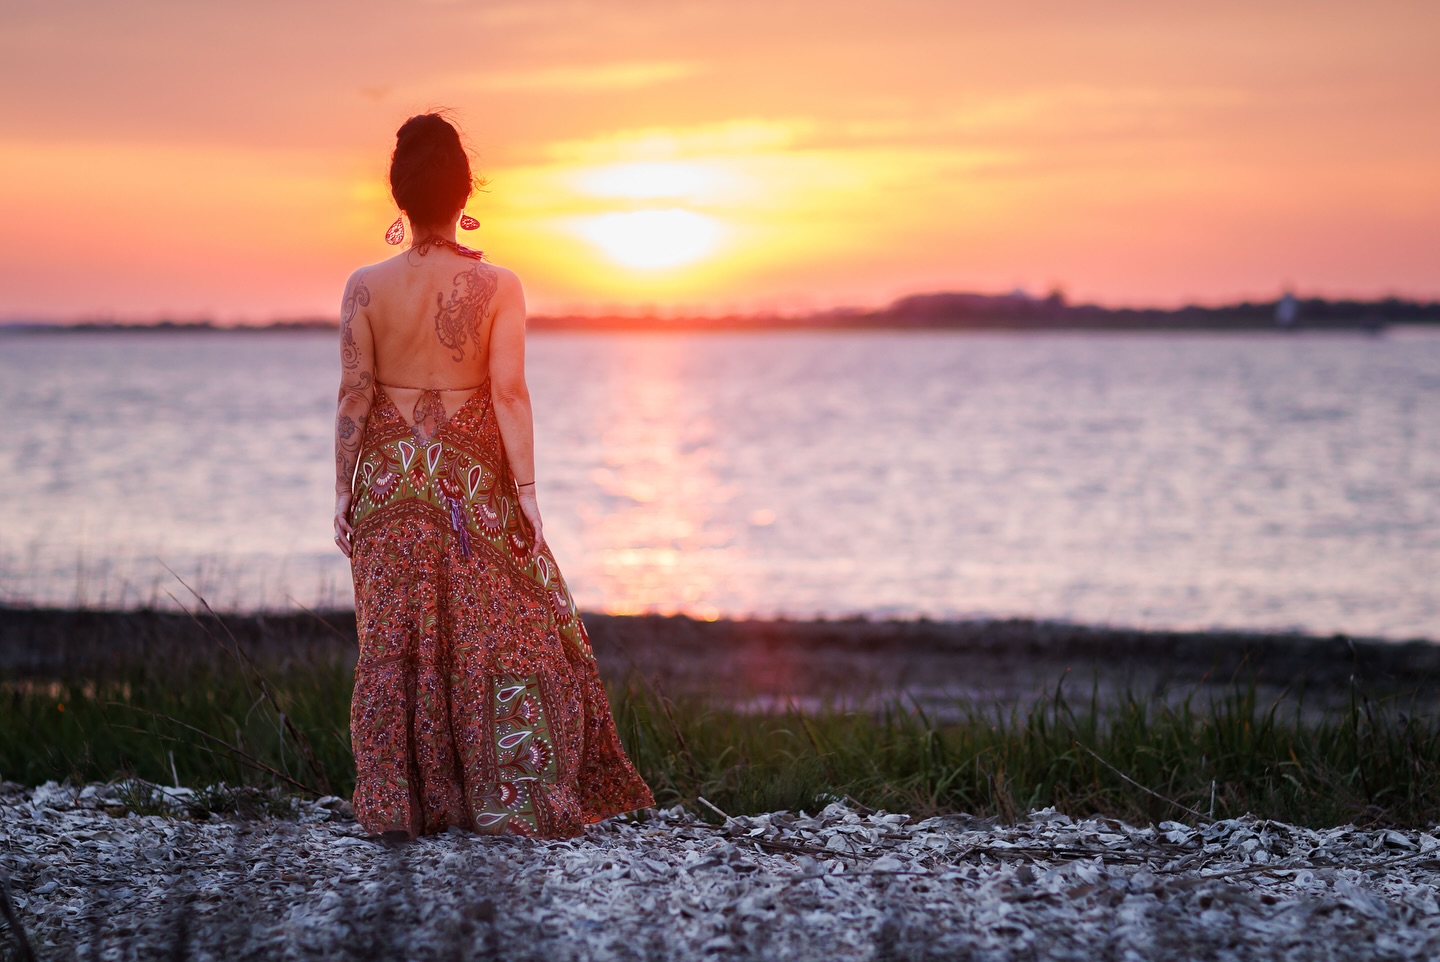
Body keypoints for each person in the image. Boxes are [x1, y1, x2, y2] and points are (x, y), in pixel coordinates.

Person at [332, 113, 654, 839]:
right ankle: (508, 797)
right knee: (499, 631)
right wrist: (530, 495)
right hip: (470, 488)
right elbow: (508, 392)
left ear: (398, 195)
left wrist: (342, 489)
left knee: (394, 639)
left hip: (386, 485)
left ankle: (398, 805)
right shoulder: (499, 285)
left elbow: (354, 394)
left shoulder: (362, 287)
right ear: (465, 191)